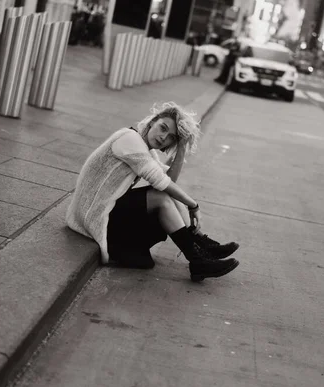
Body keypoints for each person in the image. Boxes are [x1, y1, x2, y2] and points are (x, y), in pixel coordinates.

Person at [66, 102, 240, 282]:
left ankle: (200, 245)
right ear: (152, 122)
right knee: (160, 197)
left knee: (167, 195)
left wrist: (181, 148)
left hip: (105, 209)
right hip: (93, 214)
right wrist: (194, 205)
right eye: (162, 128)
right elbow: (162, 183)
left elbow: (170, 181)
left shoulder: (146, 149)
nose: (164, 137)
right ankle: (198, 259)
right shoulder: (129, 139)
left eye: (171, 137)